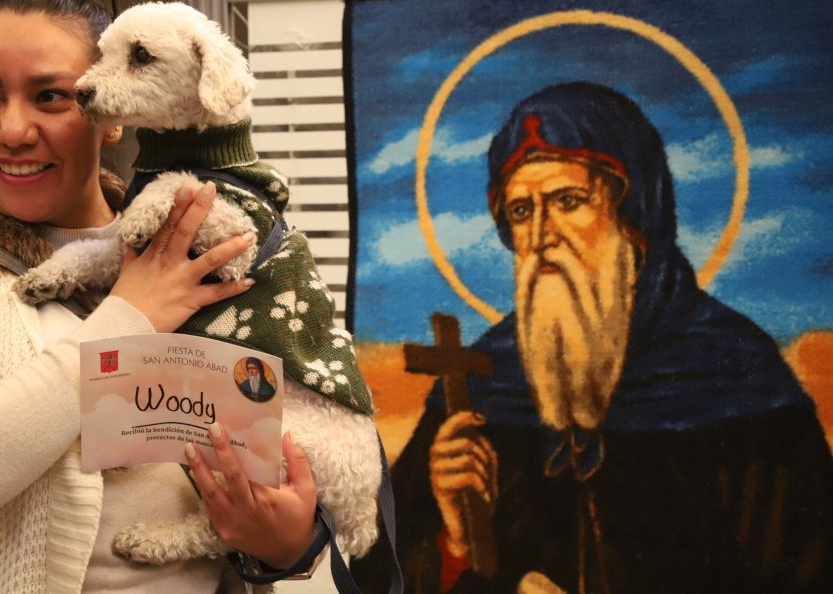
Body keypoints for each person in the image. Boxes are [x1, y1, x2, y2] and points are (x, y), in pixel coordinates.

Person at [0, 0, 333, 592]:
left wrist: (286, 549)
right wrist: (130, 315)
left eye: (50, 96)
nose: (12, 129)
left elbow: (280, 456)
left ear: (110, 110)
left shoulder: (209, 253)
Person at [354, 82, 833, 593]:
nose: (542, 235)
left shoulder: (738, 379)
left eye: (568, 201)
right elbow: (380, 575)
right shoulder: (480, 385)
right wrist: (454, 544)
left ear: (634, 219)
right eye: (521, 211)